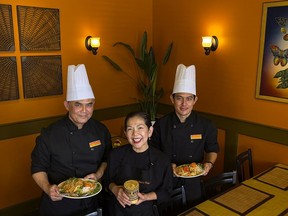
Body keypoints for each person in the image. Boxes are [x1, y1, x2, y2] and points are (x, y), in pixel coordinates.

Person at [31, 64, 112, 216]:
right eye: (78, 104)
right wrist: (48, 187)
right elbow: (37, 167)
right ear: (67, 105)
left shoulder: (101, 130)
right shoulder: (49, 134)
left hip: (92, 201)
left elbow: (107, 158)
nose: (84, 110)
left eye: (89, 104)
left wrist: (98, 174)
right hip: (60, 204)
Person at [150, 64, 220, 207]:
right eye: (179, 98)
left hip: (193, 180)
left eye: (189, 99)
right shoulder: (161, 125)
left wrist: (209, 164)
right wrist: (168, 165)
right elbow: (153, 152)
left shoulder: (206, 125)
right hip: (166, 178)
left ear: (195, 100)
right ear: (172, 99)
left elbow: (212, 149)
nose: (184, 104)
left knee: (193, 210)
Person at [106, 111, 173, 216]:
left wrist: (146, 197)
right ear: (125, 133)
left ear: (150, 131)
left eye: (140, 127)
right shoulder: (115, 154)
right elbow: (107, 181)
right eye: (130, 129)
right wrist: (115, 189)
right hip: (117, 210)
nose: (135, 134)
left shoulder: (162, 159)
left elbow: (167, 192)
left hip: (146, 211)